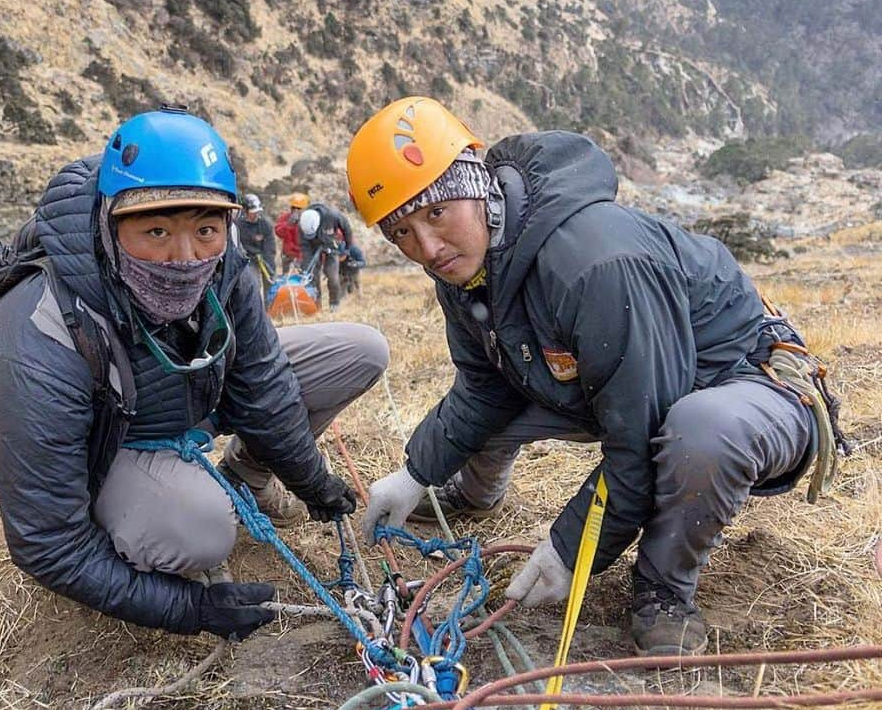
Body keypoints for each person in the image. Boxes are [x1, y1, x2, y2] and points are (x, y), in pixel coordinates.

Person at [349, 96, 836, 656]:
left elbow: (641, 431)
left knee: (696, 432)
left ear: (478, 184)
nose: (427, 248)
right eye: (401, 233)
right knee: (514, 389)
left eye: (436, 213)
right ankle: (475, 493)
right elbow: (483, 387)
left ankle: (664, 588)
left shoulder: (594, 262)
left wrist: (568, 548)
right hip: (631, 384)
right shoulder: (468, 266)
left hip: (748, 382)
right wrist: (416, 474)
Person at [0, 108, 389, 640]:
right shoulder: (38, 336)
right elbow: (47, 543)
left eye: (206, 230)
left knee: (359, 350)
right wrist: (188, 609)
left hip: (193, 397)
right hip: (113, 441)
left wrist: (311, 481)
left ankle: (248, 479)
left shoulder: (225, 267)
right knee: (204, 530)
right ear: (110, 223)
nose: (184, 257)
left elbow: (263, 386)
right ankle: (130, 514)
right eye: (156, 230)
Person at [299, 201, 354, 310]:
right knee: (312, 277)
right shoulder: (303, 222)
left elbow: (347, 229)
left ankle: (334, 303)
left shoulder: (332, 215)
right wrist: (306, 268)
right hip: (312, 246)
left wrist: (347, 249)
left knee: (332, 276)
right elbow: (304, 248)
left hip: (330, 245)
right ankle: (316, 305)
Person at [235, 192, 276, 298]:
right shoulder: (238, 226)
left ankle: (268, 308)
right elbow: (239, 245)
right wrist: (251, 254)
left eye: (257, 211)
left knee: (270, 282)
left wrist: (268, 263)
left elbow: (270, 246)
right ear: (245, 210)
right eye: (253, 212)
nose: (256, 214)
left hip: (264, 257)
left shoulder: (265, 225)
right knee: (254, 284)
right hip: (248, 259)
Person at [275, 192, 307, 268]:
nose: (295, 210)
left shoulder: (308, 220)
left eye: (298, 208)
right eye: (293, 208)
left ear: (304, 209)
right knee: (286, 278)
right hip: (287, 255)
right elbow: (278, 233)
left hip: (303, 256)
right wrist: (288, 224)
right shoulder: (285, 218)